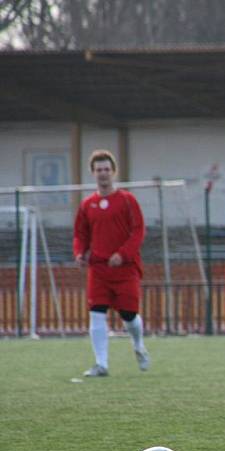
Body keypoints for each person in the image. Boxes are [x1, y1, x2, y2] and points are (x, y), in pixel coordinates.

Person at [73, 150, 150, 377]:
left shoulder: (127, 200)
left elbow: (138, 231)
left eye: (107, 169)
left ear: (113, 172)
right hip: (98, 268)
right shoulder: (87, 205)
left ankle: (138, 345)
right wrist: (79, 253)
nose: (103, 174)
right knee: (96, 312)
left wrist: (123, 254)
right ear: (93, 173)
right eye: (99, 170)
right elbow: (80, 234)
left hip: (125, 268)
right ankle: (101, 364)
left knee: (128, 315)